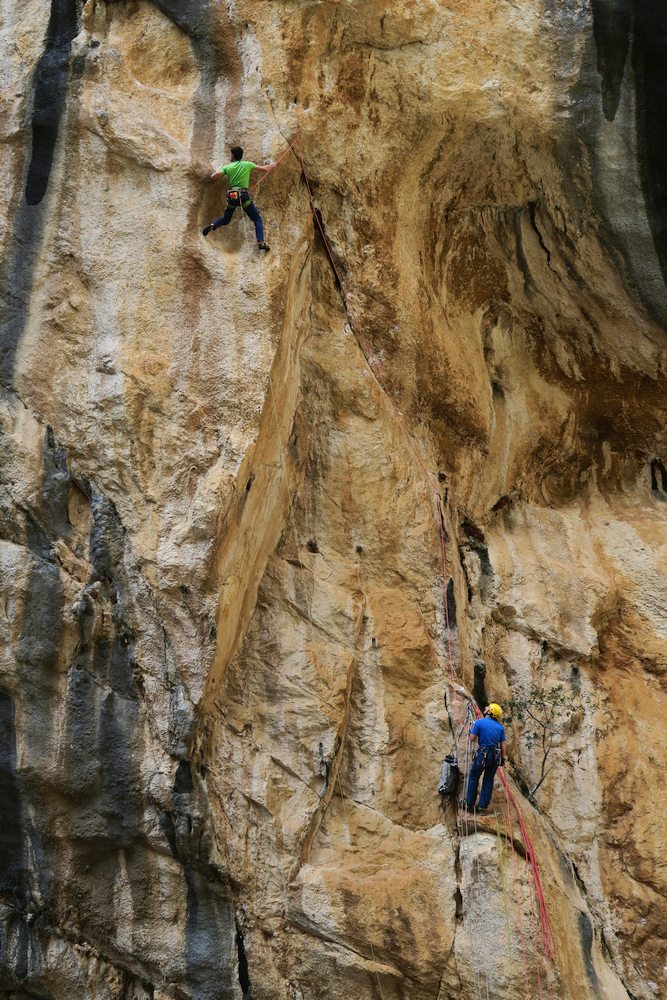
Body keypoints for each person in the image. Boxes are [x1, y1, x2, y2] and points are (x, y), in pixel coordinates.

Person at [203, 145, 275, 251]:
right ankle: (261, 242)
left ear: (233, 155)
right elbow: (265, 169)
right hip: (243, 196)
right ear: (241, 155)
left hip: (232, 196)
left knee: (225, 219)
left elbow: (214, 176)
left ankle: (213, 225)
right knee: (256, 219)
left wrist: (216, 172)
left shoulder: (228, 167)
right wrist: (272, 164)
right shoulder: (248, 164)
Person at [463, 703, 506, 813]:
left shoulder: (479, 722)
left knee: (474, 776)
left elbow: (472, 738)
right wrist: (503, 759)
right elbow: (503, 745)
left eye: (488, 707)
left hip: (483, 754)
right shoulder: (500, 728)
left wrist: (471, 731)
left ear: (490, 711)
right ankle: (482, 807)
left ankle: (469, 804)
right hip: (495, 756)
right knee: (488, 779)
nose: (485, 707)